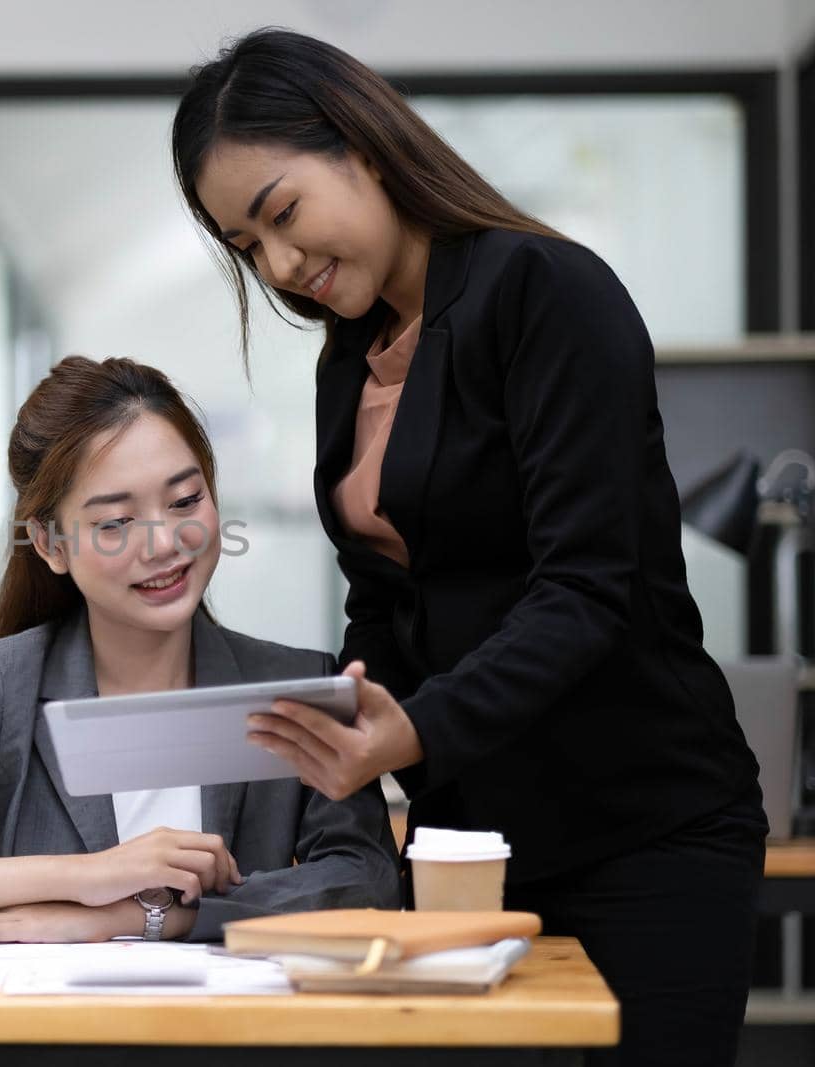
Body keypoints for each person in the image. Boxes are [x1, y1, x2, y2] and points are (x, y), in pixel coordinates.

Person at [171, 27, 766, 1066]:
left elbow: (584, 588)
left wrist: (412, 731)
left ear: (360, 144)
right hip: (467, 846)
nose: (279, 263)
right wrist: (337, 712)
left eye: (280, 215)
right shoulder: (347, 363)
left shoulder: (545, 290)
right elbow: (385, 600)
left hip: (640, 827)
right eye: (245, 246)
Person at [0, 355, 399, 943]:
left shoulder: (295, 685)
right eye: (114, 522)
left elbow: (368, 883)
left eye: (185, 500)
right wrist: (84, 877)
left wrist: (141, 917)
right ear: (50, 545)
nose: (162, 543)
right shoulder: (3, 689)